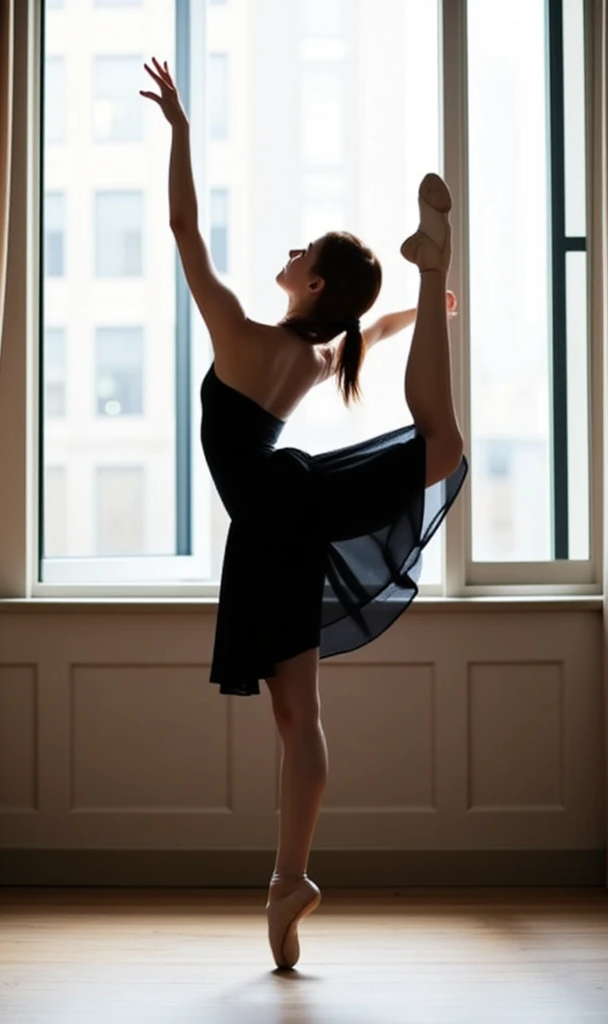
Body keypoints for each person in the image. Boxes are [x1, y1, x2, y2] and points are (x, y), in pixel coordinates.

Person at [141, 57, 468, 970]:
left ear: (315, 288)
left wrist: (180, 132)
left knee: (299, 721)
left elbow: (182, 227)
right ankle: (287, 886)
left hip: (272, 520)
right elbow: (368, 329)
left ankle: (290, 880)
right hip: (290, 513)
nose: (287, 255)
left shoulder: (245, 334)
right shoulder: (316, 358)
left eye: (300, 254)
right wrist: (417, 309)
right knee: (439, 446)